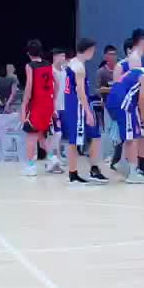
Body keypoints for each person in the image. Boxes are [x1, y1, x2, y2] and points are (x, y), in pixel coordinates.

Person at [107, 59, 144, 183]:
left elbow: (130, 89)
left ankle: (124, 165)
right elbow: (140, 101)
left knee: (131, 136)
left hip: (115, 100)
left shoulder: (136, 71)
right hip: (124, 104)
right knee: (132, 138)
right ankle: (132, 173)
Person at [61, 39, 109, 185]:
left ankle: (93, 169)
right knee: (75, 141)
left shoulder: (71, 63)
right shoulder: (79, 67)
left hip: (72, 106)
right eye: (93, 50)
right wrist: (88, 112)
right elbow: (81, 92)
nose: (94, 53)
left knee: (94, 136)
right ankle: (73, 174)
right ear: (88, 50)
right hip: (78, 107)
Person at [19, 40, 55, 177]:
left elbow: (29, 85)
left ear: (28, 53)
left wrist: (24, 102)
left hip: (37, 104)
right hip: (48, 104)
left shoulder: (30, 66)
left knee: (30, 136)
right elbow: (56, 83)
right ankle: (52, 158)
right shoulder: (48, 65)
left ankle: (31, 167)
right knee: (40, 134)